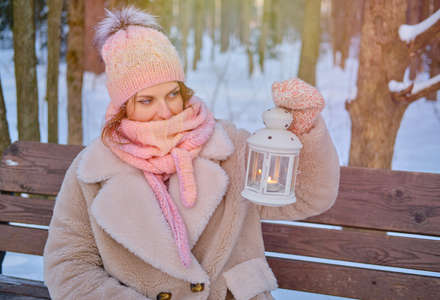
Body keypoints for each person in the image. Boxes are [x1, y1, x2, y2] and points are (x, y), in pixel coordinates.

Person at [43, 6, 340, 300]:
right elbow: (69, 267)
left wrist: (305, 126)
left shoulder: (228, 147)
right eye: (146, 101)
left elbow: (309, 195)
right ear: (123, 107)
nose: (164, 111)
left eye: (172, 94)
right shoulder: (90, 172)